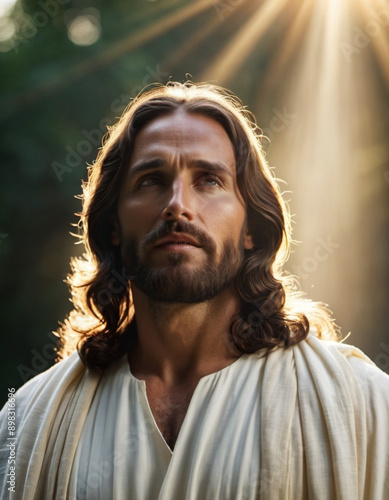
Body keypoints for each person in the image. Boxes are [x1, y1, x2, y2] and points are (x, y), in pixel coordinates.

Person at [0, 81, 388, 500]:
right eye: (151, 180)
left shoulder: (363, 404)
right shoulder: (28, 421)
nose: (177, 204)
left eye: (208, 180)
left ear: (251, 230)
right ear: (112, 226)